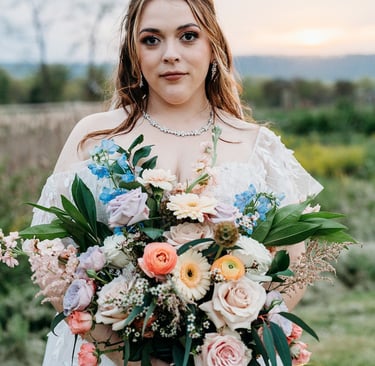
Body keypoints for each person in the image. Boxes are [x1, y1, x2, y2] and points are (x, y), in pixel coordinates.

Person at [32, 0, 322, 365]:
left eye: (188, 36)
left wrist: (235, 338)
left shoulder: (255, 145)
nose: (170, 54)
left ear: (212, 44)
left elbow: (293, 262)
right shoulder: (94, 136)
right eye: (151, 40)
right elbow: (49, 255)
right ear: (133, 53)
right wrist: (125, 353)